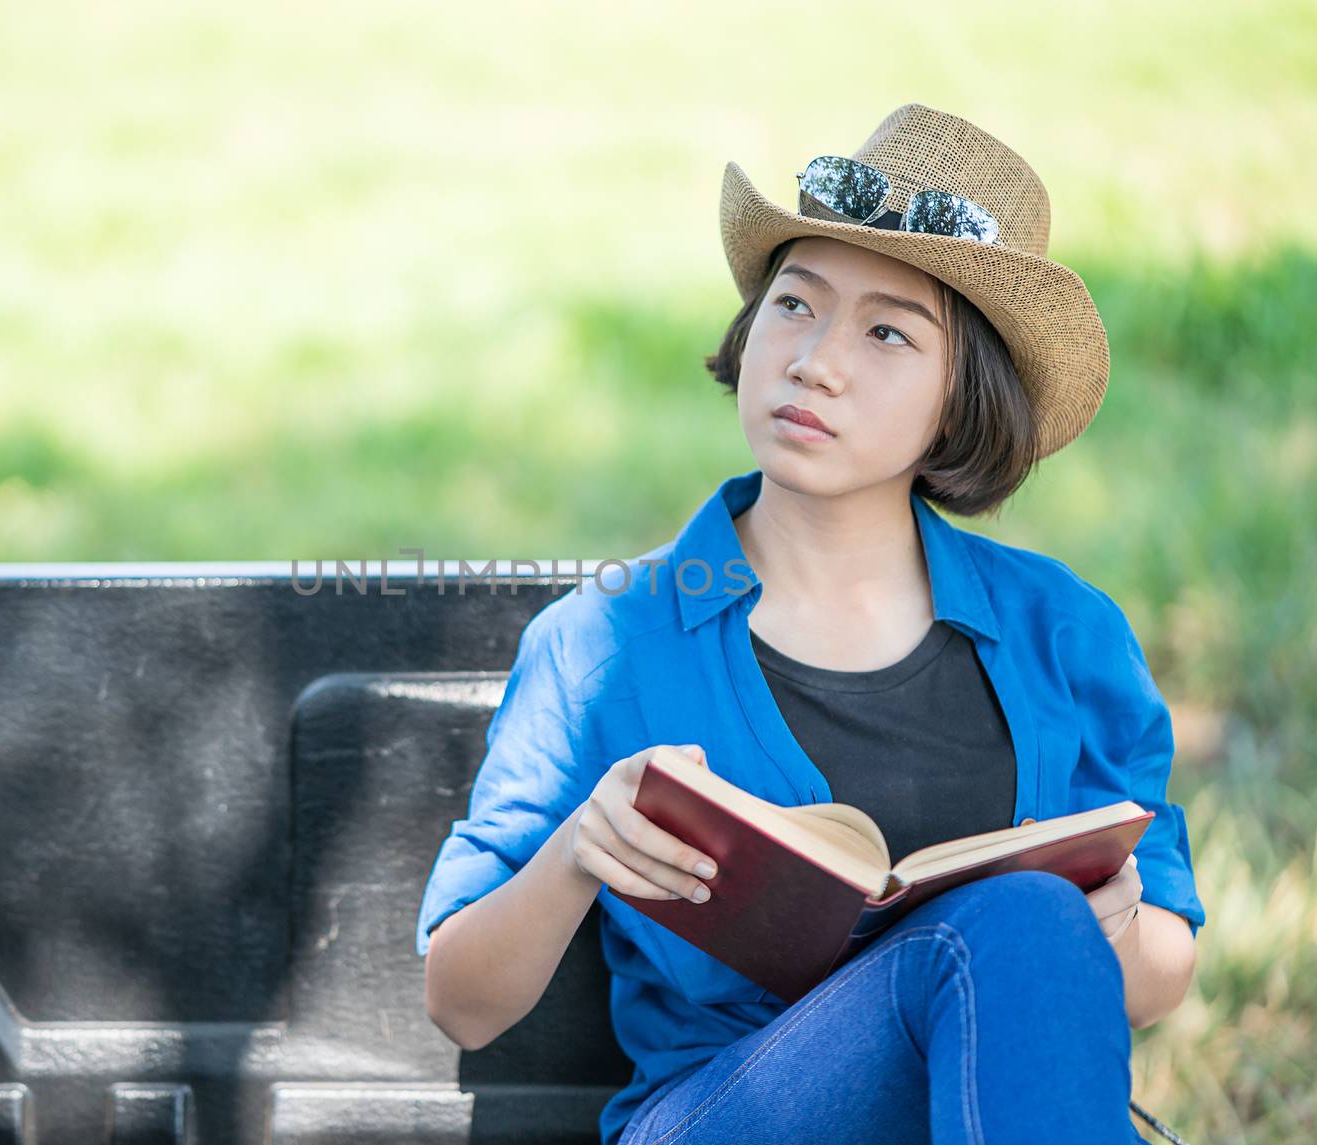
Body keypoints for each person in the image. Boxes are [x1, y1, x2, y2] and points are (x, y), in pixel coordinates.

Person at [414, 104, 1206, 1145]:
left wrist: (1103, 931)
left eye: (886, 331)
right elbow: (459, 998)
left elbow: (1154, 977)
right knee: (1012, 924)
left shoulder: (1065, 631)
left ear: (962, 396)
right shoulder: (605, 640)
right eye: (795, 304)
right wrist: (576, 852)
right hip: (718, 1114)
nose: (815, 360)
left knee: (1024, 924)